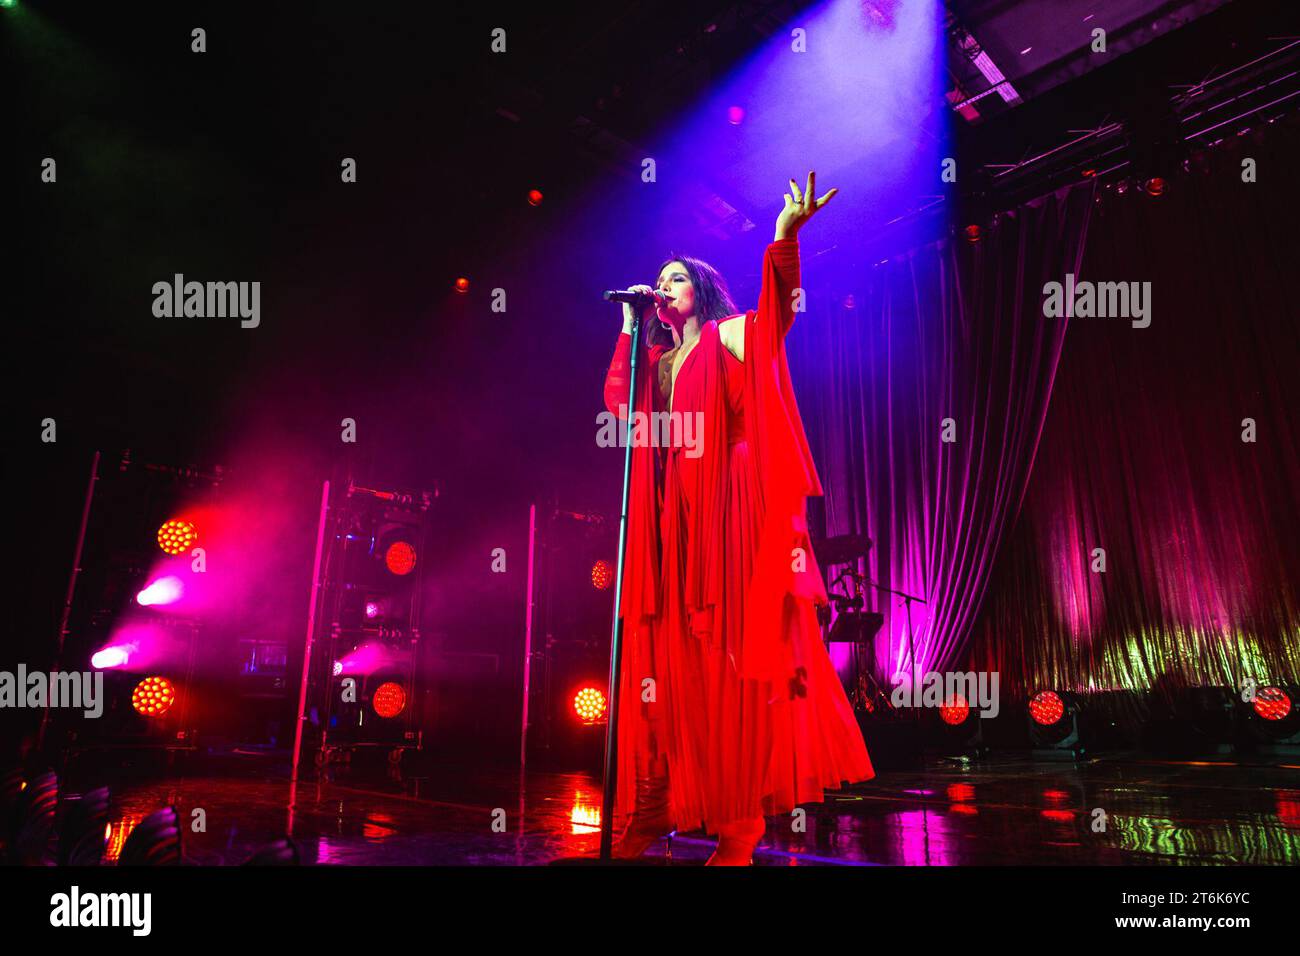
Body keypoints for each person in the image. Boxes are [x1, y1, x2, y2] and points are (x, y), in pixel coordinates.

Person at [603, 172, 874, 865]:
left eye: (676, 279)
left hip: (726, 504)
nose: (664, 287)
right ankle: (655, 803)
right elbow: (622, 412)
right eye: (658, 280)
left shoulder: (728, 334)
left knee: (732, 664)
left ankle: (741, 825)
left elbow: (777, 316)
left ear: (700, 289)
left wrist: (784, 240)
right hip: (673, 519)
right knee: (664, 667)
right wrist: (632, 329)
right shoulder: (658, 360)